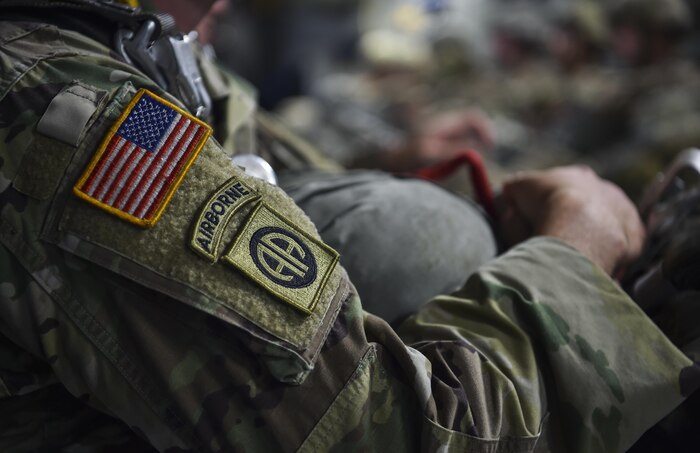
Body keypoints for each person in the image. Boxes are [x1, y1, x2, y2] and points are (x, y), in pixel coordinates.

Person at [0, 1, 698, 452]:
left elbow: (223, 151)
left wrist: (377, 168)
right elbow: (384, 433)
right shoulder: (77, 115)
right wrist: (574, 259)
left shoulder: (100, 29)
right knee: (424, 241)